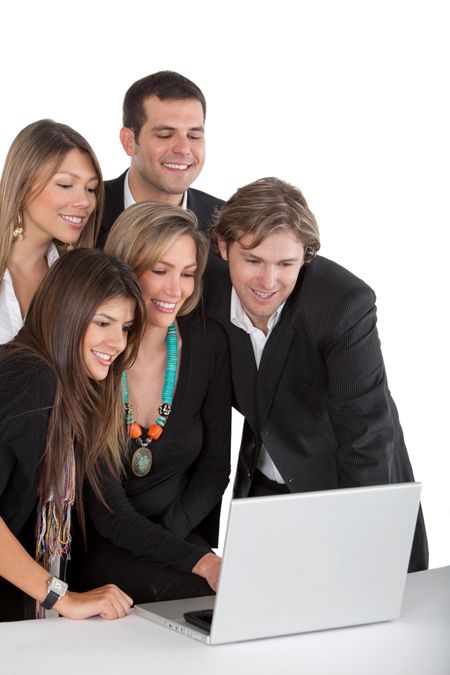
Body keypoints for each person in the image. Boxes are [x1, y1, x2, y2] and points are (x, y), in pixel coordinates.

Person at [206, 176, 428, 573]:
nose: (267, 282)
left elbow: (365, 435)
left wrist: (363, 552)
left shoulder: (342, 304)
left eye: (286, 264)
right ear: (223, 248)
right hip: (264, 492)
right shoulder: (202, 291)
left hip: (348, 488)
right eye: (253, 260)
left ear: (305, 257)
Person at [69, 202, 231, 602]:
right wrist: (195, 561)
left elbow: (214, 469)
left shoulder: (209, 343)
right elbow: (107, 511)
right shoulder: (95, 353)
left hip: (175, 534)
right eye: (160, 270)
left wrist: (175, 546)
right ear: (125, 267)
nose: (175, 290)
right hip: (101, 547)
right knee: (205, 597)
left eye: (188, 274)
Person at [0, 248, 147, 621]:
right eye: (103, 323)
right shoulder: (29, 378)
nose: (118, 342)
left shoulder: (70, 387)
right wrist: (62, 598)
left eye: (126, 328)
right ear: (67, 313)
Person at [96, 70, 224, 265]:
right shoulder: (85, 211)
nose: (183, 149)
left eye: (194, 136)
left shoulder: (225, 223)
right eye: (165, 135)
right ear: (129, 142)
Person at [0, 119, 104, 344]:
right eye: (66, 185)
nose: (84, 202)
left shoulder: (75, 278)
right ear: (22, 184)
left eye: (90, 189)